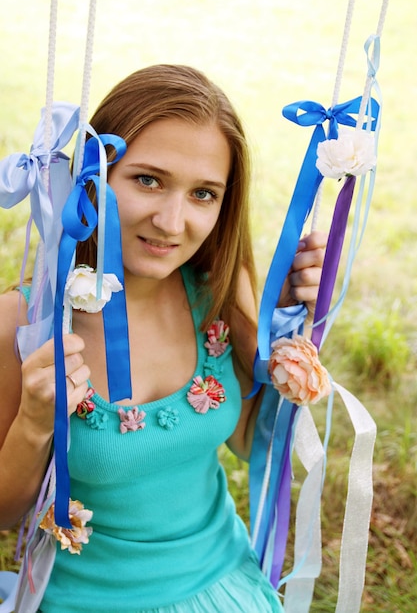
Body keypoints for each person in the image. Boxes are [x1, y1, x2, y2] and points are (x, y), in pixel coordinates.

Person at [0, 64, 325, 612]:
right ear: (93, 177)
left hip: (220, 579)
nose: (173, 223)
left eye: (203, 194)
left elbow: (251, 442)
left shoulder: (216, 291)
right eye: (148, 180)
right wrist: (36, 423)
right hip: (86, 599)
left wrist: (295, 336)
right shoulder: (25, 322)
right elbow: (5, 514)